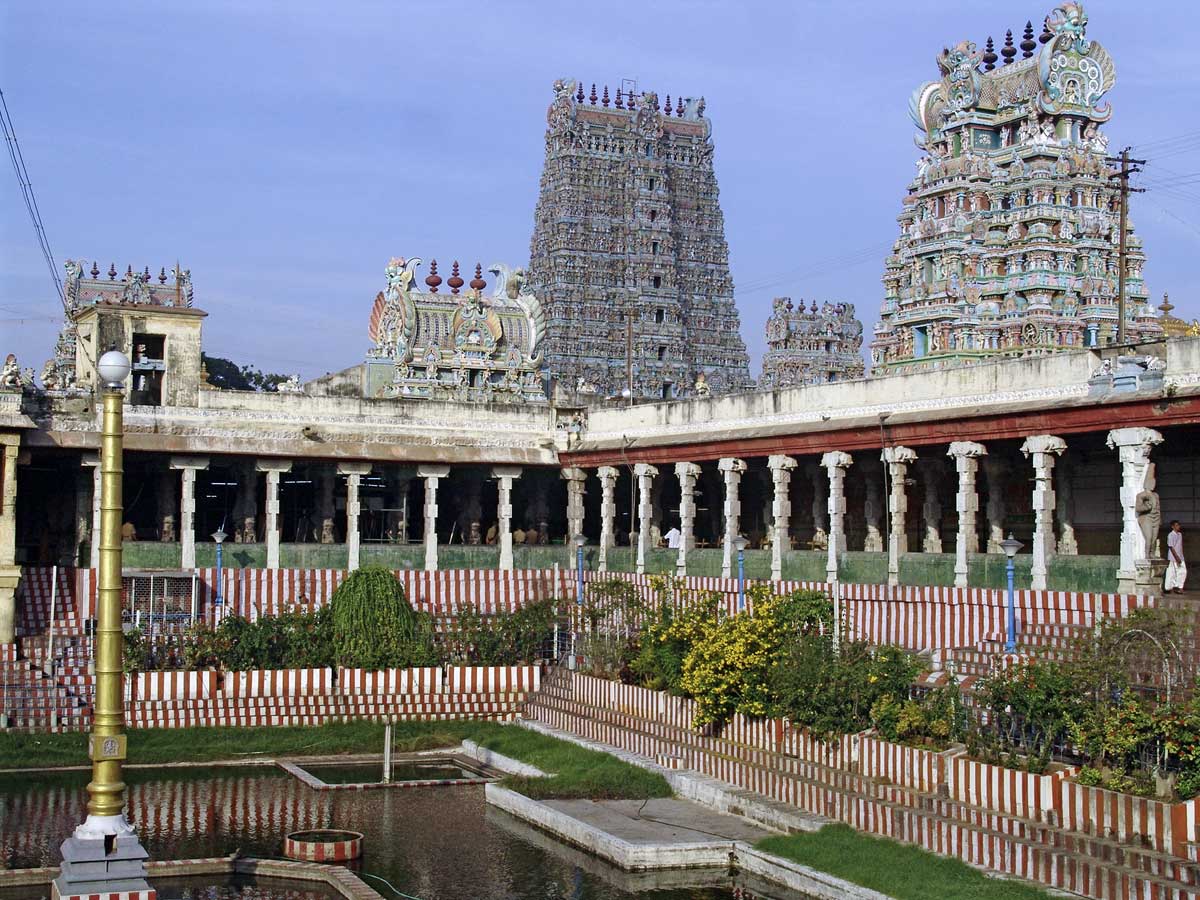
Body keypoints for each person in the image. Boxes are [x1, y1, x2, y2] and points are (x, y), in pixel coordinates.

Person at [1166, 520, 1187, 594]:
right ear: (1173, 526)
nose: (1178, 527)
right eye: (1176, 525)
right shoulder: (1170, 535)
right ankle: (1170, 588)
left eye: (1179, 525)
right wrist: (1177, 557)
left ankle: (1179, 587)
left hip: (1180, 556)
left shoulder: (1179, 534)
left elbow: (1179, 546)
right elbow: (1171, 547)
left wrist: (1180, 556)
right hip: (1173, 557)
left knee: (1182, 571)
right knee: (1172, 572)